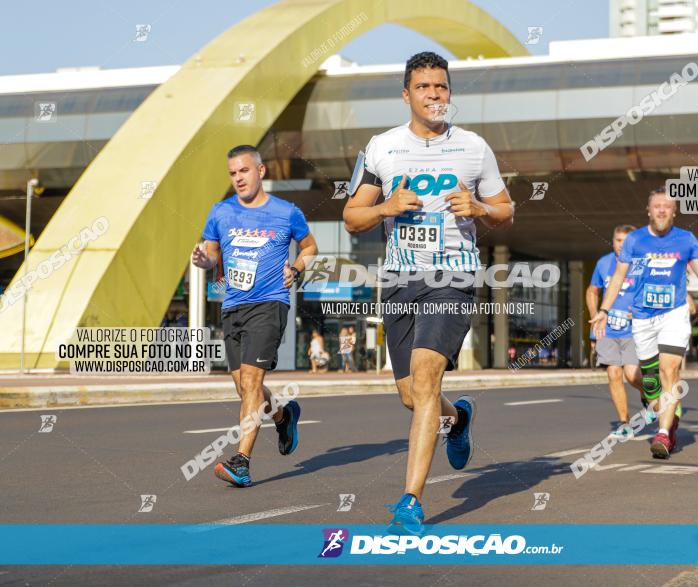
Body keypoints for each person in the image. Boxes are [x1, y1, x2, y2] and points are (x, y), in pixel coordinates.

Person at [343, 51, 514, 535]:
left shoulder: (475, 148)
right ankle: (457, 418)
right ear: (407, 95)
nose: (434, 95)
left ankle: (410, 500)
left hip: (452, 277)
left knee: (424, 380)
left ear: (449, 94)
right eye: (424, 87)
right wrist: (385, 207)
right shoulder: (382, 148)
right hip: (399, 278)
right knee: (411, 396)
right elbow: (352, 217)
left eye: (441, 87)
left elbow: (506, 210)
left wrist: (479, 206)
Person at [192, 144, 318, 487]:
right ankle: (282, 413)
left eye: (244, 171)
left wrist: (296, 267)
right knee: (243, 386)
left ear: (260, 171)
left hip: (270, 303)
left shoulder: (286, 212)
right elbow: (211, 253)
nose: (238, 178)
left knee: (251, 382)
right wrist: (204, 261)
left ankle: (242, 461)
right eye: (233, 173)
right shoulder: (220, 212)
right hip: (233, 306)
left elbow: (310, 246)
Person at [591, 187, 698, 459]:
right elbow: (617, 278)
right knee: (650, 382)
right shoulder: (634, 241)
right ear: (648, 211)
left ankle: (662, 434)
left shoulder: (687, 240)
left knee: (669, 370)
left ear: (675, 211)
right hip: (642, 317)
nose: (662, 210)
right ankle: (669, 418)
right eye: (657, 206)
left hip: (674, 313)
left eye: (667, 206)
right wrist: (604, 309)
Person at [587, 225, 645, 438]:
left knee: (632, 374)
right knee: (613, 373)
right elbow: (592, 291)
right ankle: (624, 422)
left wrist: (639, 310)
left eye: (626, 240)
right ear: (613, 241)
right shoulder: (604, 263)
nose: (622, 244)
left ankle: (648, 394)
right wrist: (595, 319)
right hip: (609, 329)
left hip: (635, 329)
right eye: (618, 240)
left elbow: (651, 290)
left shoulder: (642, 264)